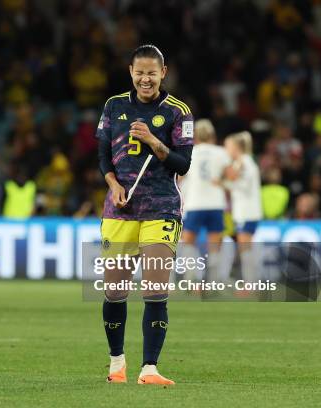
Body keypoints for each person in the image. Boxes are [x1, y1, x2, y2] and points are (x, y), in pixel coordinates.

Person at [96, 45, 193, 385]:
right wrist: (112, 184)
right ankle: (117, 363)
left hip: (162, 207)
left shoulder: (179, 112)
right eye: (140, 72)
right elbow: (104, 155)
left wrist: (154, 141)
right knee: (114, 291)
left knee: (154, 289)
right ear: (131, 71)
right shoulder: (114, 106)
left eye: (152, 72)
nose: (145, 78)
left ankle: (149, 368)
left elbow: (183, 164)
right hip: (120, 210)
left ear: (163, 73)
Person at [180, 119, 231, 282]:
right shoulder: (221, 152)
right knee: (215, 245)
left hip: (194, 203)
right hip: (216, 203)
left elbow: (179, 177)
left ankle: (191, 280)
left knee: (188, 242)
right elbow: (230, 176)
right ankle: (214, 281)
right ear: (212, 135)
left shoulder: (190, 152)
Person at [223, 131, 263, 285]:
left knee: (245, 249)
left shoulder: (246, 162)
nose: (226, 150)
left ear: (236, 148)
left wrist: (223, 183)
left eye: (228, 147)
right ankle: (250, 282)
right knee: (245, 248)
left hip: (248, 212)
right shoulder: (239, 163)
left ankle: (250, 283)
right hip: (243, 212)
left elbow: (244, 186)